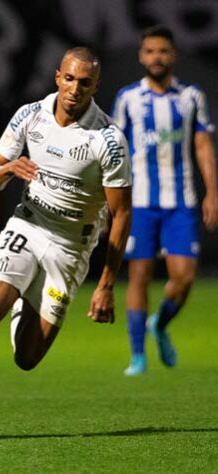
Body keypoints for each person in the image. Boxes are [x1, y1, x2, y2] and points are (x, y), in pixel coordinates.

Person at [0, 47, 132, 439]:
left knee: (27, 359)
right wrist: (8, 168)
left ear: (96, 86)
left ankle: (24, 299)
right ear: (57, 76)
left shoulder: (108, 140)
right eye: (69, 79)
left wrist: (106, 285)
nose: (75, 89)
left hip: (71, 248)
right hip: (28, 225)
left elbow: (122, 215)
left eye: (85, 83)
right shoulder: (29, 116)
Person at [112, 26, 218, 376]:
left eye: (163, 51)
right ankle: (138, 355)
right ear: (142, 56)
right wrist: (110, 199)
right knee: (139, 275)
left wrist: (212, 192)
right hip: (140, 202)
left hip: (181, 199)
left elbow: (203, 145)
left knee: (184, 276)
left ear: (173, 55)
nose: (156, 57)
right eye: (150, 51)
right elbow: (116, 150)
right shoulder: (128, 99)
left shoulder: (190, 97)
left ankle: (159, 324)